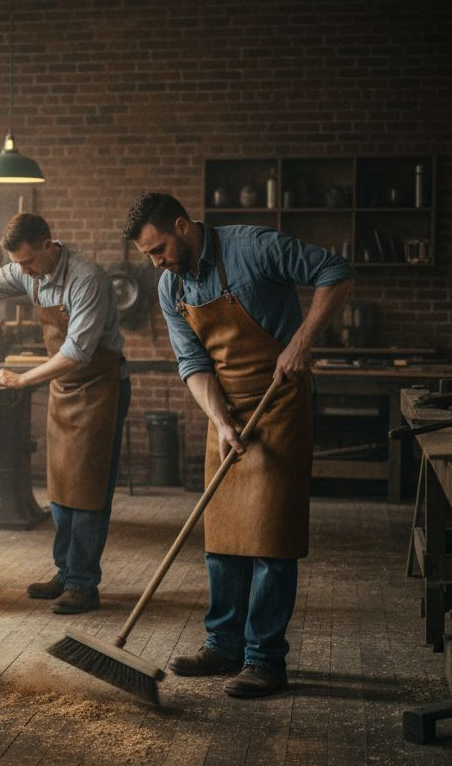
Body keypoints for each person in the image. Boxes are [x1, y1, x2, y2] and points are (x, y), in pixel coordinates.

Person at [125, 191, 354, 698]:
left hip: (281, 404)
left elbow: (335, 272)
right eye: (149, 257)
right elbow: (193, 364)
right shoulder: (171, 287)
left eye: (159, 249)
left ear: (182, 226)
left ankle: (265, 658)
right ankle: (224, 644)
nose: (158, 263)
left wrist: (302, 341)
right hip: (224, 410)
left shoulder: (251, 247)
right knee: (223, 535)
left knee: (272, 537)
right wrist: (221, 421)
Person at [0, 213, 130, 615]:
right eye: (19, 264)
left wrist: (23, 379)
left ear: (49, 245)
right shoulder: (26, 271)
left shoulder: (87, 279)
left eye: (29, 261)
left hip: (101, 388)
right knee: (63, 486)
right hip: (65, 386)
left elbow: (78, 353)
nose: (24, 270)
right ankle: (66, 572)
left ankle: (84, 584)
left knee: (88, 490)